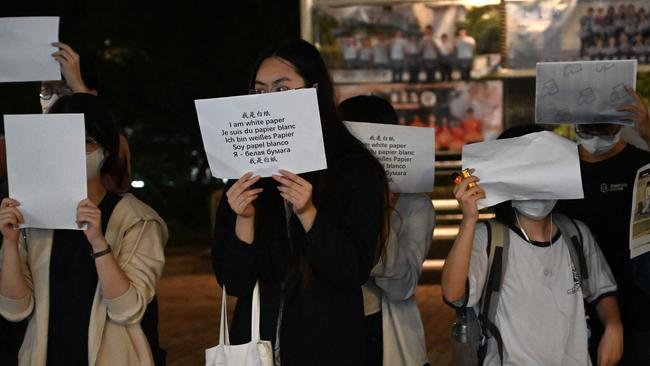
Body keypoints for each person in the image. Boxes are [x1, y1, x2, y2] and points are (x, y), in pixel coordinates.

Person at [212, 39, 390, 366]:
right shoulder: (244, 172)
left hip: (328, 347)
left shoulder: (353, 168)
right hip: (255, 347)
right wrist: (244, 219)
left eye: (282, 90)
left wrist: (309, 214)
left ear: (314, 91)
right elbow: (233, 280)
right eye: (259, 91)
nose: (268, 102)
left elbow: (352, 270)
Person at [0, 93, 168, 366]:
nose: (72, 152)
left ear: (107, 152)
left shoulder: (137, 220)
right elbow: (14, 309)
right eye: (61, 143)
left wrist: (99, 242)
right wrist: (9, 242)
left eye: (85, 142)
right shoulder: (33, 217)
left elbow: (128, 310)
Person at [442, 125, 623, 366]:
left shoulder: (575, 233)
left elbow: (602, 291)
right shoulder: (488, 237)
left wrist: (613, 324)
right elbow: (453, 293)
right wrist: (469, 220)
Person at [555, 87, 650, 365]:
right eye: (588, 126)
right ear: (575, 124)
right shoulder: (558, 170)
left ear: (621, 123)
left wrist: (646, 128)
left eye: (604, 126)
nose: (596, 135)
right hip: (575, 304)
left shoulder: (641, 165)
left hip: (638, 303)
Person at [338, 95, 434, 366]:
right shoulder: (327, 196)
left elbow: (402, 286)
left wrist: (380, 211)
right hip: (330, 328)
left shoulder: (414, 205)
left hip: (382, 333)